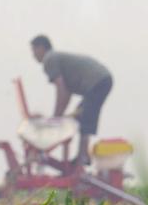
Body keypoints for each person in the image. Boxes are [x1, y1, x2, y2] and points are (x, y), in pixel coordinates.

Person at [30, 34, 113, 166]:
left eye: (34, 50)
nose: (33, 55)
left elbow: (61, 91)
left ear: (41, 48)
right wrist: (58, 117)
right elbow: (66, 94)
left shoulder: (49, 59)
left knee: (85, 116)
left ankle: (83, 156)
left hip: (97, 81)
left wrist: (56, 118)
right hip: (101, 79)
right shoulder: (55, 57)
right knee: (78, 115)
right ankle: (82, 154)